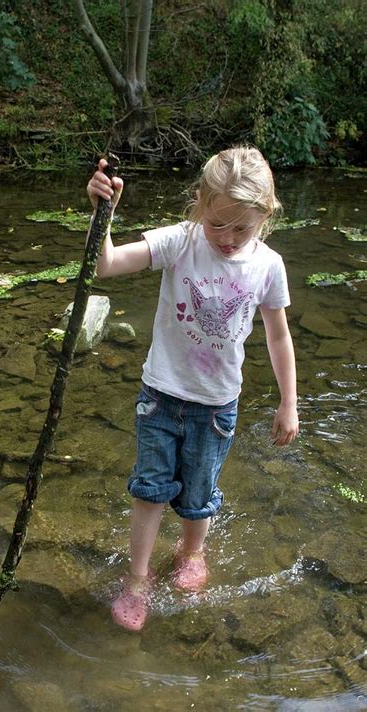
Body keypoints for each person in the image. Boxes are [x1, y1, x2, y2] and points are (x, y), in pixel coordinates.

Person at [86, 145, 299, 632]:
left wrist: (289, 402)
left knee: (199, 493)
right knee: (150, 490)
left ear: (265, 217)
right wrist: (104, 215)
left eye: (240, 228)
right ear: (200, 205)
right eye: (216, 224)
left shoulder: (268, 265)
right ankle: (137, 580)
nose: (226, 238)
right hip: (161, 393)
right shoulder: (182, 241)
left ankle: (191, 552)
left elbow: (278, 335)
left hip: (217, 403)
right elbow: (110, 264)